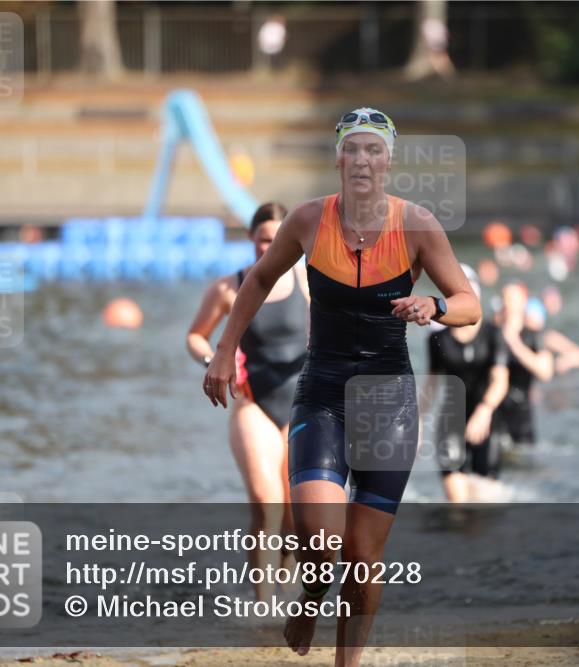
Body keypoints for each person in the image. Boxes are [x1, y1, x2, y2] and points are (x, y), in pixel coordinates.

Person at [202, 108, 480, 666]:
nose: (362, 160)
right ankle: (310, 596)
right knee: (321, 541)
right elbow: (259, 279)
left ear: (388, 160)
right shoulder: (308, 220)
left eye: (373, 150)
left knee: (363, 554)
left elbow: (470, 305)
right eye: (352, 149)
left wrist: (434, 305)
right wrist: (225, 347)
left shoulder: (417, 225)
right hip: (324, 393)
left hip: (388, 402)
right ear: (338, 158)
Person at [187, 202, 308, 600]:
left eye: (278, 240)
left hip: (301, 403)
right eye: (263, 240)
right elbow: (196, 336)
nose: (269, 248)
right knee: (266, 502)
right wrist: (214, 361)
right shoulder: (228, 288)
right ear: (251, 239)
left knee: (295, 513)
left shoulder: (309, 281)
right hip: (252, 403)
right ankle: (263, 603)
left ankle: (289, 594)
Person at [422, 264, 509, 503]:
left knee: (485, 502)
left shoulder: (493, 334)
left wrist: (485, 410)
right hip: (451, 421)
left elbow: (500, 381)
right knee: (458, 504)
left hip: (486, 421)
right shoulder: (438, 339)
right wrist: (418, 422)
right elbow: (431, 385)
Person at [493, 283, 579, 450]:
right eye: (504, 299)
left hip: (521, 408)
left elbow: (545, 372)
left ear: (523, 303)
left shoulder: (534, 336)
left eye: (512, 299)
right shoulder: (492, 332)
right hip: (494, 407)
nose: (507, 304)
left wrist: (514, 344)